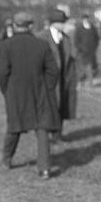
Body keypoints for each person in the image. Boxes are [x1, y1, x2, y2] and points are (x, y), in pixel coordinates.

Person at [0, 12, 61, 179]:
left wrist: (6, 91)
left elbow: (2, 73)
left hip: (16, 94)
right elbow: (53, 70)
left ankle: (6, 160)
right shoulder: (42, 44)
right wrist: (48, 87)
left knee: (14, 127)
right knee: (42, 128)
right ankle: (45, 168)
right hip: (40, 92)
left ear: (15, 26)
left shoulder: (6, 45)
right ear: (30, 25)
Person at [37, 9, 77, 141]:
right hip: (48, 80)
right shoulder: (42, 37)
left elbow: (70, 57)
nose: (65, 25)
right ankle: (47, 135)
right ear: (55, 23)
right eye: (63, 22)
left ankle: (58, 135)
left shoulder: (65, 38)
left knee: (61, 106)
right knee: (49, 107)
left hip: (64, 79)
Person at [74, 13, 99, 87]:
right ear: (82, 20)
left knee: (91, 67)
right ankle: (83, 82)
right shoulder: (79, 29)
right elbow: (76, 41)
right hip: (82, 52)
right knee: (84, 67)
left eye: (87, 18)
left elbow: (96, 38)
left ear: (89, 19)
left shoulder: (92, 28)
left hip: (91, 51)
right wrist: (81, 48)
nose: (86, 20)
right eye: (84, 19)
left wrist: (94, 47)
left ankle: (89, 82)